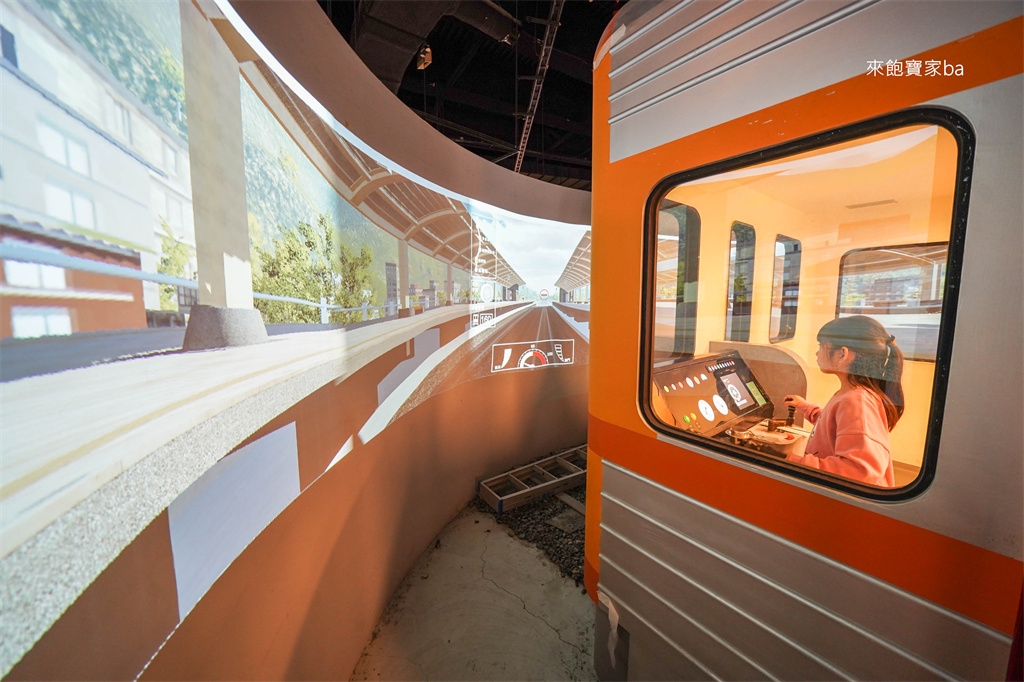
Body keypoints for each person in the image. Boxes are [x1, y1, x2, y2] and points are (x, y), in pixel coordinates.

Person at [784, 316, 905, 487]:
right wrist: (805, 407)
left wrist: (791, 460)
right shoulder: (852, 394)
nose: (817, 353)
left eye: (822, 346)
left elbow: (859, 472)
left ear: (842, 354)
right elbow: (834, 426)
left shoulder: (857, 401)